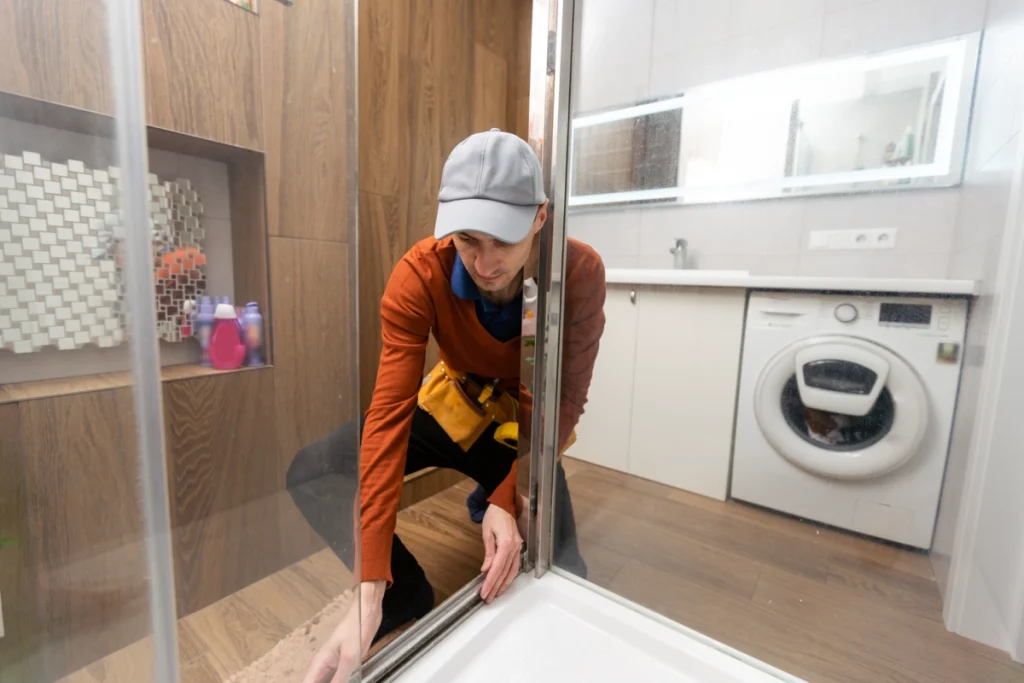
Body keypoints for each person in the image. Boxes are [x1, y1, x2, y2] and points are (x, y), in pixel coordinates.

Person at [287, 129, 606, 683]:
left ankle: (490, 496)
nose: (484, 264)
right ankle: (404, 593)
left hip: (524, 427)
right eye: (467, 239)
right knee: (313, 469)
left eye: (502, 240)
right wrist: (368, 592)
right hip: (454, 401)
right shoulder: (420, 275)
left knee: (565, 571)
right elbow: (387, 420)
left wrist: (511, 495)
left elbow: (566, 400)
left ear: (540, 218)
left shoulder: (578, 273)